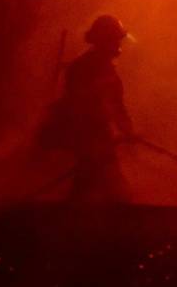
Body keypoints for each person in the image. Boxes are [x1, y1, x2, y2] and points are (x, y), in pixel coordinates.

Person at [39, 14, 136, 201]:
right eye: (115, 39)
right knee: (115, 192)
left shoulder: (83, 66)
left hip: (91, 141)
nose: (118, 44)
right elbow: (110, 107)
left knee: (86, 189)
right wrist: (126, 131)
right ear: (105, 41)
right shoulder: (97, 70)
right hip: (92, 141)